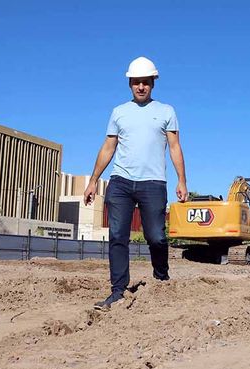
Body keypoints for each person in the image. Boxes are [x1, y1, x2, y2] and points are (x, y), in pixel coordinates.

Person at [84, 56, 188, 310]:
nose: (141, 87)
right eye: (136, 82)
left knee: (156, 237)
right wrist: (93, 179)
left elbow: (174, 147)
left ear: (153, 83)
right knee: (118, 235)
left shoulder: (166, 111)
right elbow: (109, 147)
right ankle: (118, 290)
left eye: (145, 82)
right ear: (129, 83)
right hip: (121, 182)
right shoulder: (119, 112)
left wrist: (182, 180)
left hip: (153, 183)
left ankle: (161, 279)